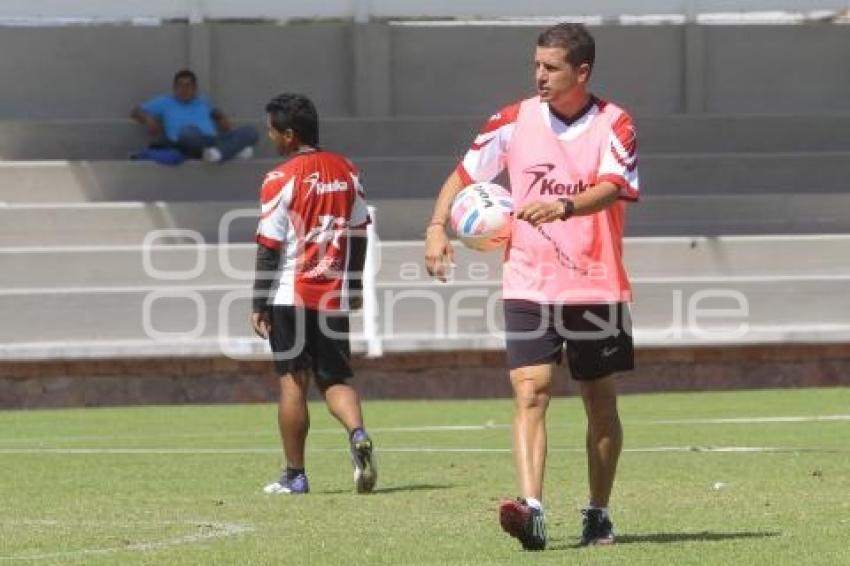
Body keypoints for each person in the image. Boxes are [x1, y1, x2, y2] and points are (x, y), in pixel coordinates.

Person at [424, 23, 639, 550]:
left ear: (581, 72)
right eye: (536, 65)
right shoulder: (513, 119)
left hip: (594, 283)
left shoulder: (616, 123)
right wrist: (436, 227)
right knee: (530, 391)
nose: (539, 75)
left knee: (599, 401)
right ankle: (533, 510)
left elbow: (613, 188)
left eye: (551, 67)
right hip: (527, 280)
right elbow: (463, 175)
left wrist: (565, 205)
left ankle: (598, 513)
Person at [251, 93, 377, 495]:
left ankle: (295, 475)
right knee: (335, 378)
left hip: (291, 292)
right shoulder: (347, 170)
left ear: (289, 135)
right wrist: (353, 284)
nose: (269, 136)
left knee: (292, 382)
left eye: (272, 129)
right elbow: (359, 234)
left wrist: (258, 301)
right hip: (332, 294)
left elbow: (269, 247)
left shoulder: (279, 177)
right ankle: (357, 433)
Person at [131, 69, 258, 163]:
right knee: (188, 132)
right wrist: (148, 119)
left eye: (188, 85)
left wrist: (221, 118)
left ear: (195, 88)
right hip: (185, 142)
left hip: (213, 141)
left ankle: (216, 154)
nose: (184, 89)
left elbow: (215, 113)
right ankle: (229, 152)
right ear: (174, 88)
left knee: (251, 132)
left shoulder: (203, 101)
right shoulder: (165, 101)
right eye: (180, 85)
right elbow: (135, 111)